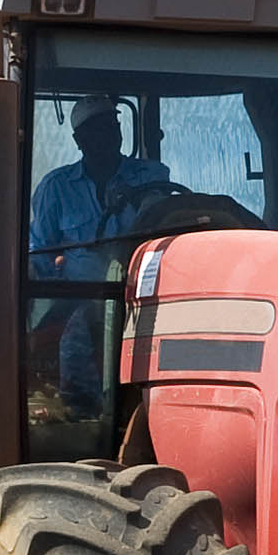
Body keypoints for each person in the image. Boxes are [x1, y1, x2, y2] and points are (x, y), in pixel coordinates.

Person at [23, 99, 171, 421]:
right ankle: (83, 420)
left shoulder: (149, 176)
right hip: (84, 295)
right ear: (80, 141)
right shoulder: (56, 188)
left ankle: (156, 412)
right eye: (97, 130)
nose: (108, 135)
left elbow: (164, 221)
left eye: (112, 127)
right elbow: (41, 252)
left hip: (145, 292)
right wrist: (45, 296)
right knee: (73, 343)